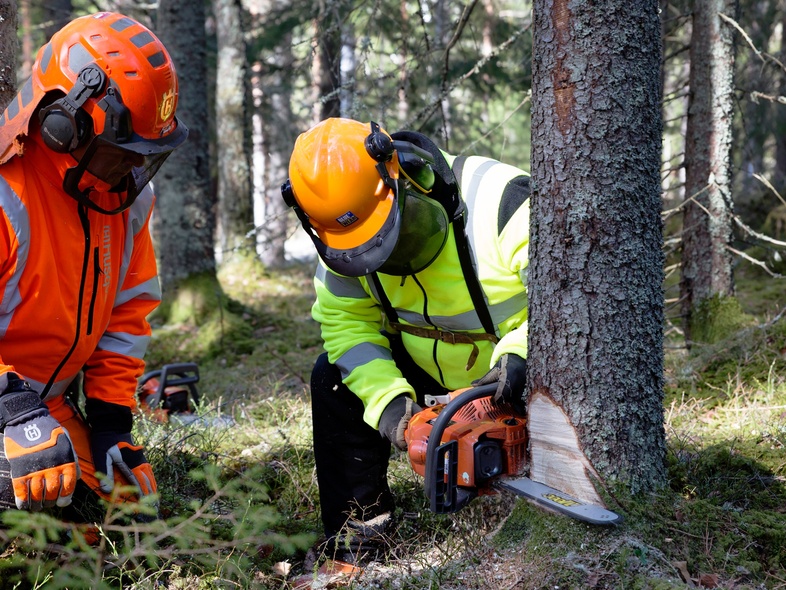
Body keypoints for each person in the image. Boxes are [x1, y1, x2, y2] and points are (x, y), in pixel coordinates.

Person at [281, 118, 529, 561]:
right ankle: (360, 536)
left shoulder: (502, 202)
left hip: (515, 363)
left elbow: (570, 302)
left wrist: (517, 361)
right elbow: (346, 327)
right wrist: (394, 411)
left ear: (405, 173)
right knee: (331, 379)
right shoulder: (339, 245)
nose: (382, 256)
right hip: (425, 361)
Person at [0, 12, 187, 526]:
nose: (130, 169)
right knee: (24, 504)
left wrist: (111, 424)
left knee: (121, 517)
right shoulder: (3, 193)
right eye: (120, 154)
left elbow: (128, 314)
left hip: (46, 408)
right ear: (64, 126)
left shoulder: (124, 201)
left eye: (141, 156)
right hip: (12, 404)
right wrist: (12, 408)